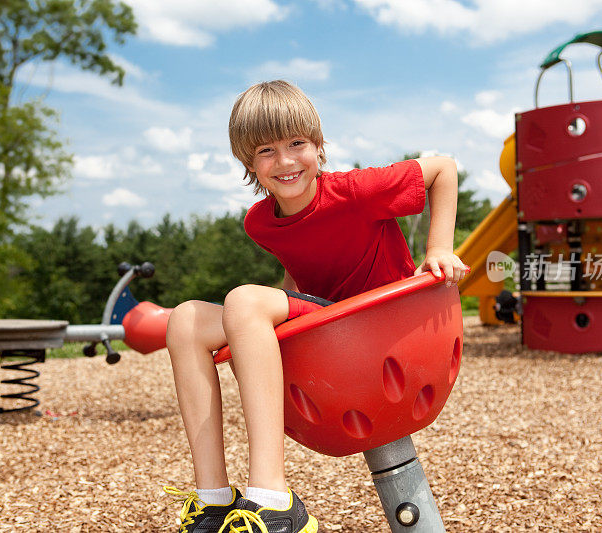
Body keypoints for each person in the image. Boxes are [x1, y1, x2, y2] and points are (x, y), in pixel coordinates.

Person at [164, 80, 467, 533]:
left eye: (297, 144)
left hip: (387, 324)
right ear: (248, 162)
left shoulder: (355, 191)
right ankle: (213, 501)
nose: (284, 161)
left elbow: (443, 168)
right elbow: (299, 272)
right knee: (186, 319)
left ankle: (272, 496)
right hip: (331, 325)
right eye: (266, 150)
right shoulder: (262, 223)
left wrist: (439, 247)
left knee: (243, 301)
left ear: (319, 147)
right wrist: (259, 320)